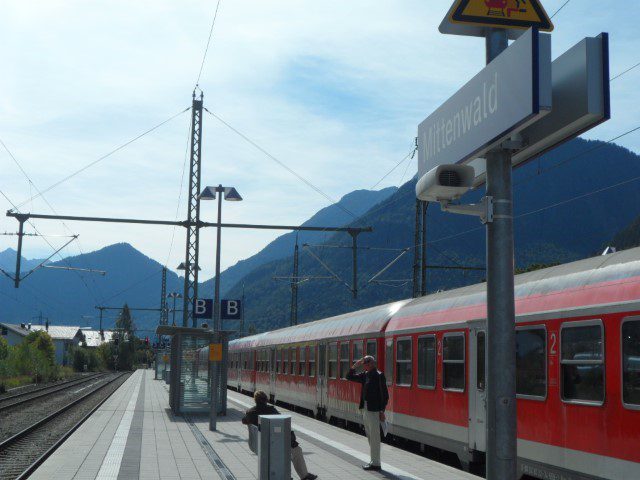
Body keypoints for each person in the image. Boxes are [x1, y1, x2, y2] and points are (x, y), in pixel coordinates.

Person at [242, 390, 317, 480]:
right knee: (296, 450)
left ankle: (288, 476)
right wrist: (292, 440)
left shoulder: (250, 412)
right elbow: (283, 425)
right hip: (273, 445)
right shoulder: (271, 410)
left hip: (257, 445)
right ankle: (304, 476)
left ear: (255, 400)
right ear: (266, 400)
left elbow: (244, 420)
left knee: (282, 449)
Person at [346, 355, 389, 471]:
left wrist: (382, 411)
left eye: (365, 363)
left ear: (371, 363)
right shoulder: (365, 375)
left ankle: (376, 463)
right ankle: (373, 460)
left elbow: (385, 395)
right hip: (365, 408)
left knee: (375, 437)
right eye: (363, 363)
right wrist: (355, 366)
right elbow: (349, 376)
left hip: (374, 410)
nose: (363, 365)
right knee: (370, 435)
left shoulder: (379, 375)